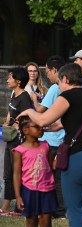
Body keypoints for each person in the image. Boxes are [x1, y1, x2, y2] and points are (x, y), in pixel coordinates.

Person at [18, 63, 82, 227]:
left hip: (79, 157)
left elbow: (42, 119)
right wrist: (60, 126)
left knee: (73, 209)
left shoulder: (67, 97)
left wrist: (29, 111)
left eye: (58, 82)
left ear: (65, 79)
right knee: (81, 205)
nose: (58, 86)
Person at [30, 56, 67, 218]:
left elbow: (40, 110)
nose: (47, 75)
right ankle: (59, 209)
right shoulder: (67, 89)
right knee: (60, 177)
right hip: (63, 139)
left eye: (47, 71)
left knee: (51, 177)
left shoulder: (54, 89)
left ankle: (56, 210)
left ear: (55, 70)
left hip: (52, 140)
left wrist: (33, 100)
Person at [13, 117, 57, 226]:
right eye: (37, 126)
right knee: (31, 219)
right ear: (25, 130)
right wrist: (18, 196)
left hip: (47, 189)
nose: (41, 129)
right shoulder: (19, 150)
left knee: (46, 220)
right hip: (29, 189)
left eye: (41, 126)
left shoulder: (46, 146)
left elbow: (51, 166)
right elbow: (17, 174)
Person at [2, 67, 33, 215]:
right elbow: (11, 113)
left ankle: (20, 206)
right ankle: (6, 207)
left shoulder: (25, 97)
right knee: (7, 173)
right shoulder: (15, 94)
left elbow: (29, 119)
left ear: (18, 81)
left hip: (19, 142)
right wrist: (7, 123)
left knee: (18, 174)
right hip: (10, 139)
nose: (7, 80)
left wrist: (18, 124)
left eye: (10, 77)